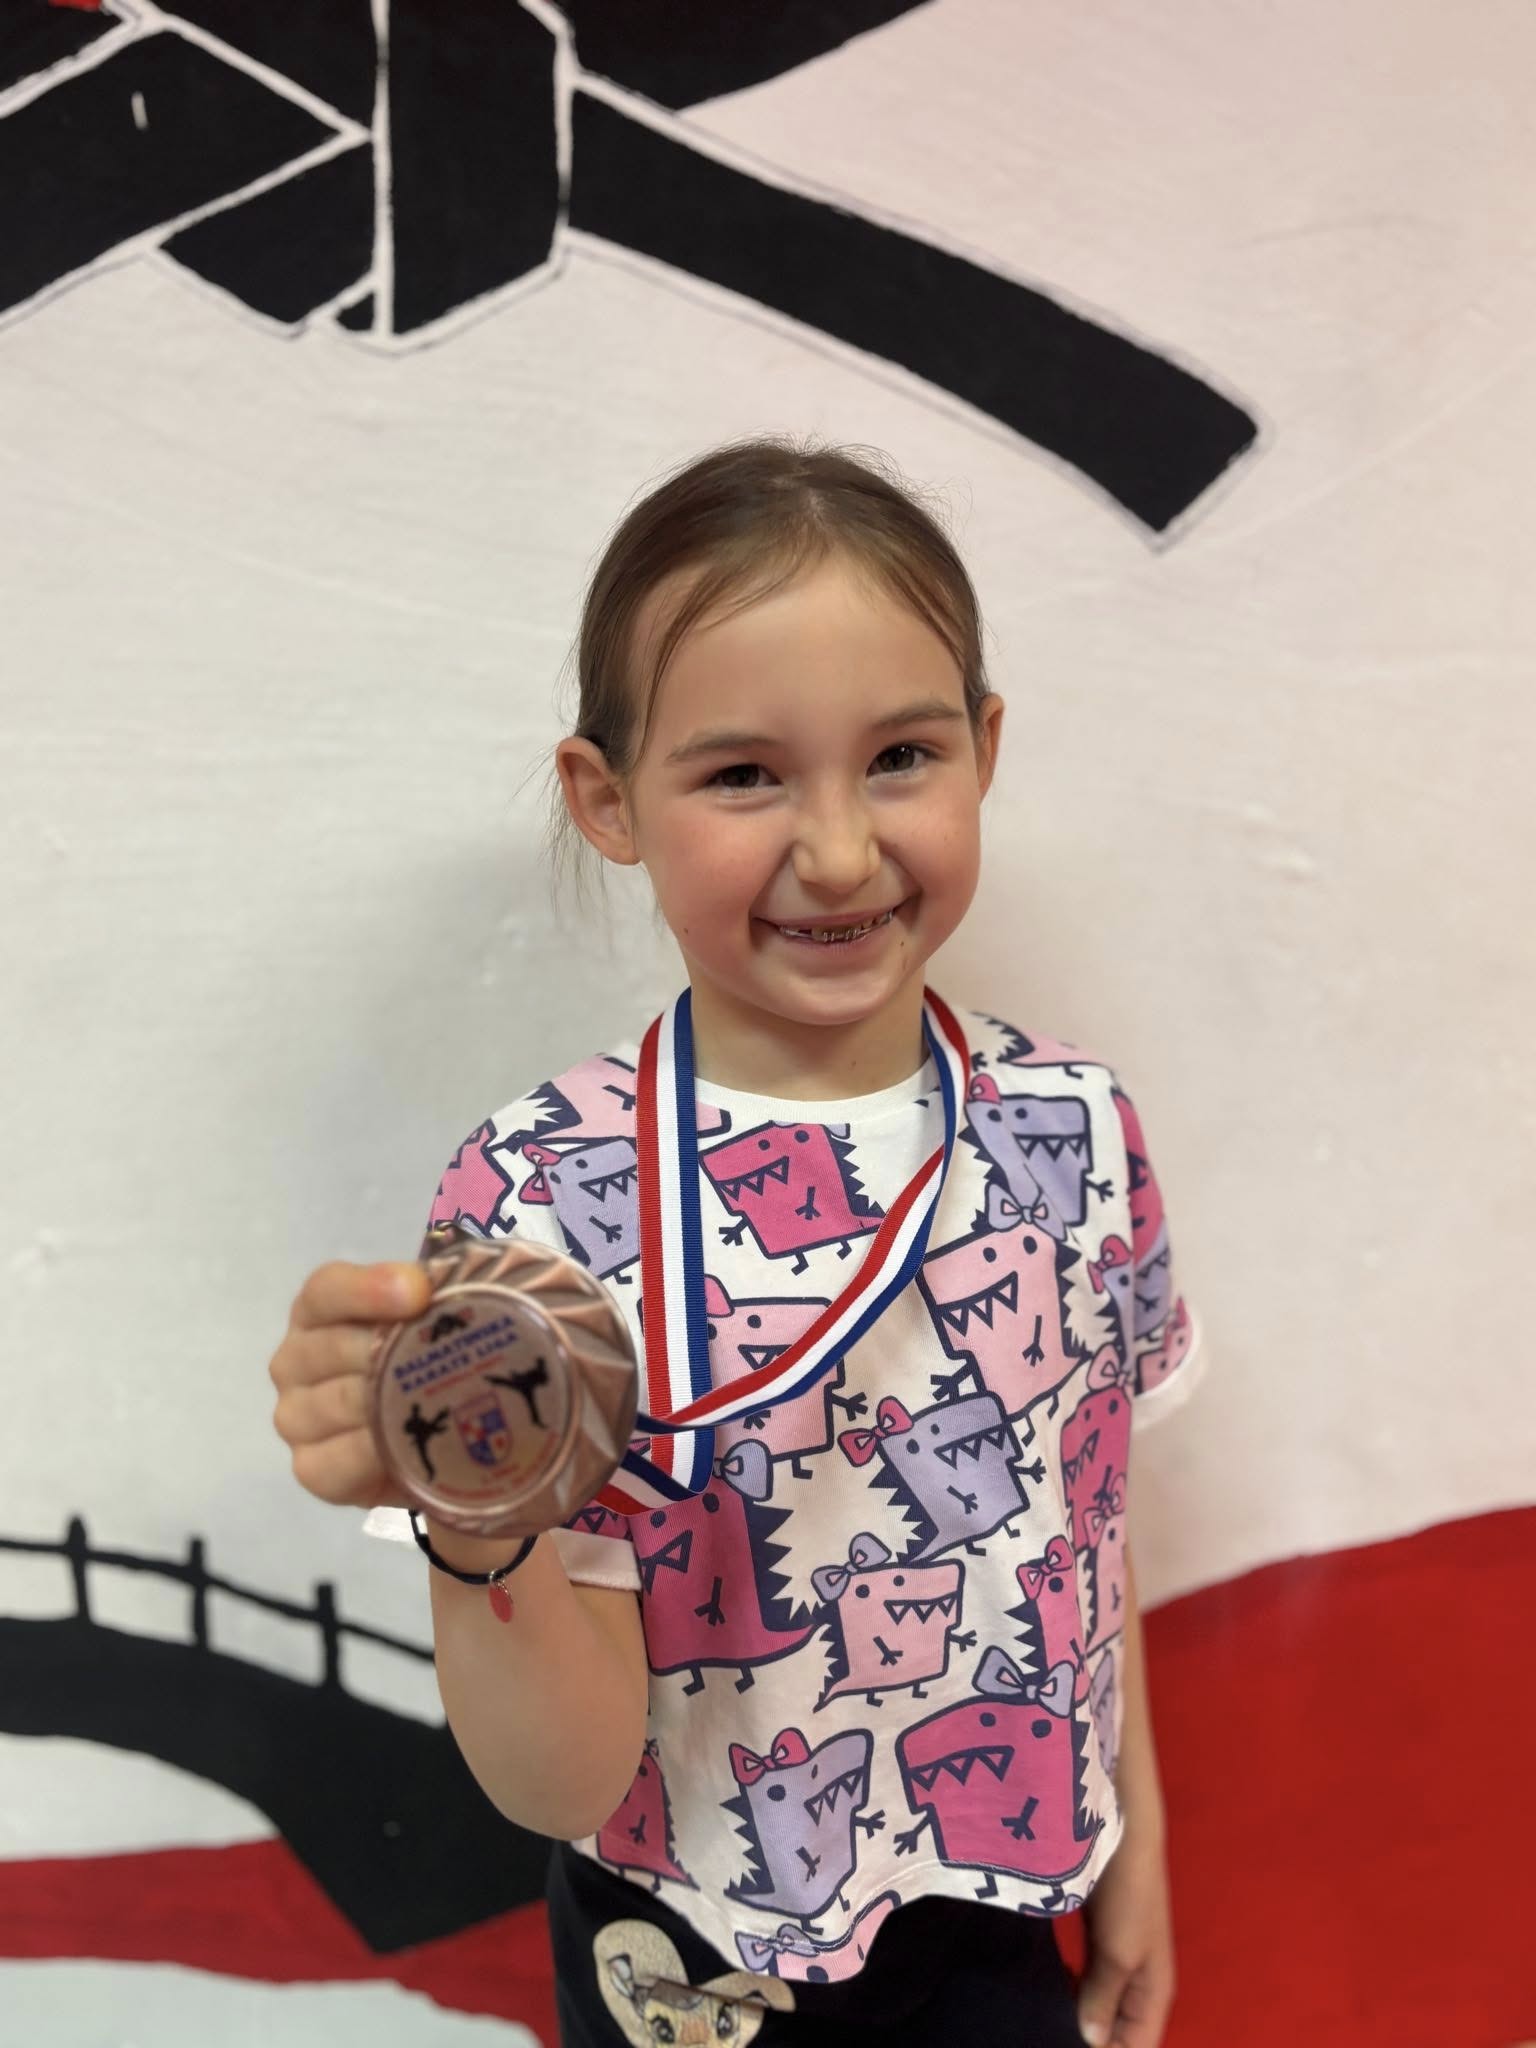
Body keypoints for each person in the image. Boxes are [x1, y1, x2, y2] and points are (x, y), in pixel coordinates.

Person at [268, 440, 1206, 2047]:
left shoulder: (1076, 1133)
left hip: (1000, 1898)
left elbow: (1087, 1522)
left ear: (984, 750)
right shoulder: (537, 1204)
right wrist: (475, 1523)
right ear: (607, 800)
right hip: (685, 1953)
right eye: (743, 776)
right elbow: (559, 1781)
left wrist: (1137, 1837)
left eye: (900, 755)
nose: (837, 850)